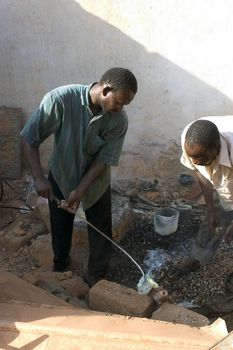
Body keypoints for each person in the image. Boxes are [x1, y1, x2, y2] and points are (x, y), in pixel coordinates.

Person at [20, 67, 137, 287]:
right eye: (119, 102)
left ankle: (96, 279)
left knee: (100, 230)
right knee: (60, 225)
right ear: (106, 90)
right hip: (62, 173)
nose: (121, 108)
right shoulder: (60, 100)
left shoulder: (118, 120)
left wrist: (80, 190)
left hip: (96, 181)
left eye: (125, 105)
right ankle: (61, 267)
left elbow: (104, 159)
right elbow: (28, 138)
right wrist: (39, 178)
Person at [171, 116, 233, 277]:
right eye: (194, 158)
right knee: (213, 221)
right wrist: (212, 210)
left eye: (202, 158)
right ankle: (197, 257)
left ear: (217, 147)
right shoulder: (190, 139)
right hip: (225, 175)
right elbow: (201, 173)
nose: (197, 162)